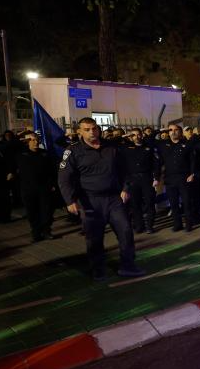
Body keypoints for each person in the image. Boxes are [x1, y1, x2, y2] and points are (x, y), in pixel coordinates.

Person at [57, 117, 145, 281]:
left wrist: (125, 188)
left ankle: (128, 266)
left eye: (94, 128)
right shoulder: (73, 151)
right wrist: (70, 200)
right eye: (87, 129)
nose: (92, 132)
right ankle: (98, 269)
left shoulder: (111, 147)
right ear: (80, 132)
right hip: (90, 200)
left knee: (125, 231)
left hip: (114, 199)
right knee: (94, 237)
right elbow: (64, 178)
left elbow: (125, 170)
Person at [16, 131, 57, 242]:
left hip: (44, 188)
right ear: (26, 142)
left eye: (37, 140)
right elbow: (8, 146)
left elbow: (52, 170)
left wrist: (52, 184)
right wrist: (20, 137)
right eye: (32, 140)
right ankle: (36, 233)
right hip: (28, 189)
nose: (35, 142)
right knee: (32, 212)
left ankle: (46, 231)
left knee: (46, 211)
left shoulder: (45, 154)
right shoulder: (21, 154)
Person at [156, 123, 196, 231]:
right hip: (170, 179)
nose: (173, 132)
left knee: (187, 203)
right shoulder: (163, 145)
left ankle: (189, 224)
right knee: (173, 204)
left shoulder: (187, 144)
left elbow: (192, 160)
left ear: (180, 132)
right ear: (168, 132)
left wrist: (192, 174)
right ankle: (177, 224)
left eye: (176, 130)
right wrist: (160, 131)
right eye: (170, 130)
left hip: (184, 178)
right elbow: (149, 141)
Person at [122, 128, 160, 233]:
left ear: (142, 135)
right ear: (130, 137)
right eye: (133, 135)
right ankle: (139, 226)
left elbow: (156, 164)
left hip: (147, 178)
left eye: (138, 134)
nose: (136, 137)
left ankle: (149, 226)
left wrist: (156, 178)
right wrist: (124, 137)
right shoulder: (126, 148)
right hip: (133, 180)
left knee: (150, 203)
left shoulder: (149, 147)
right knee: (135, 204)